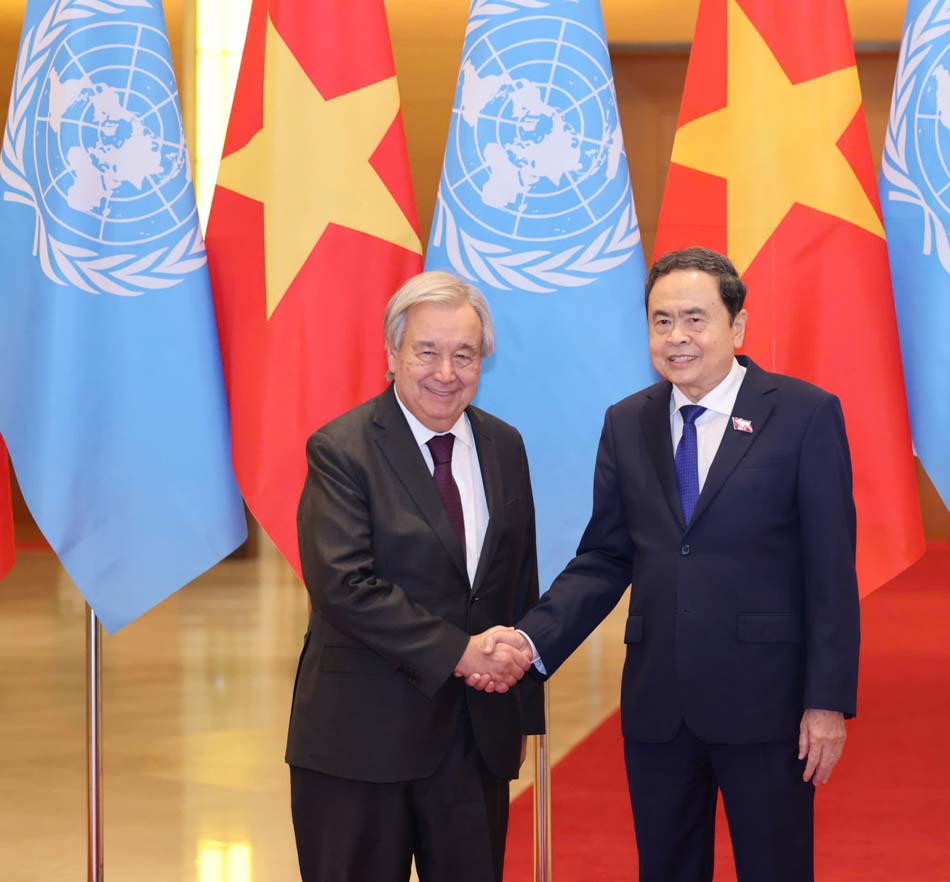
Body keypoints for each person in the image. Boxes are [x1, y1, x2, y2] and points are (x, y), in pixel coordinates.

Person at [479, 247, 860, 882]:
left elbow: (830, 572)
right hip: (660, 706)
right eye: (660, 320)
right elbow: (605, 556)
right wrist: (529, 640)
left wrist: (827, 702)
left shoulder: (803, 415)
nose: (676, 336)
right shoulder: (628, 422)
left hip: (769, 706)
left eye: (694, 318)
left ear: (736, 327)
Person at [285, 270, 544, 882]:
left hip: (474, 742)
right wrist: (462, 653)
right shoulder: (342, 449)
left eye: (465, 354)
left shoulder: (504, 445)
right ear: (392, 353)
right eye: (427, 352)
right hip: (361, 743)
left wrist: (521, 701)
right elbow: (345, 586)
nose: (446, 373)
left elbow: (516, 580)